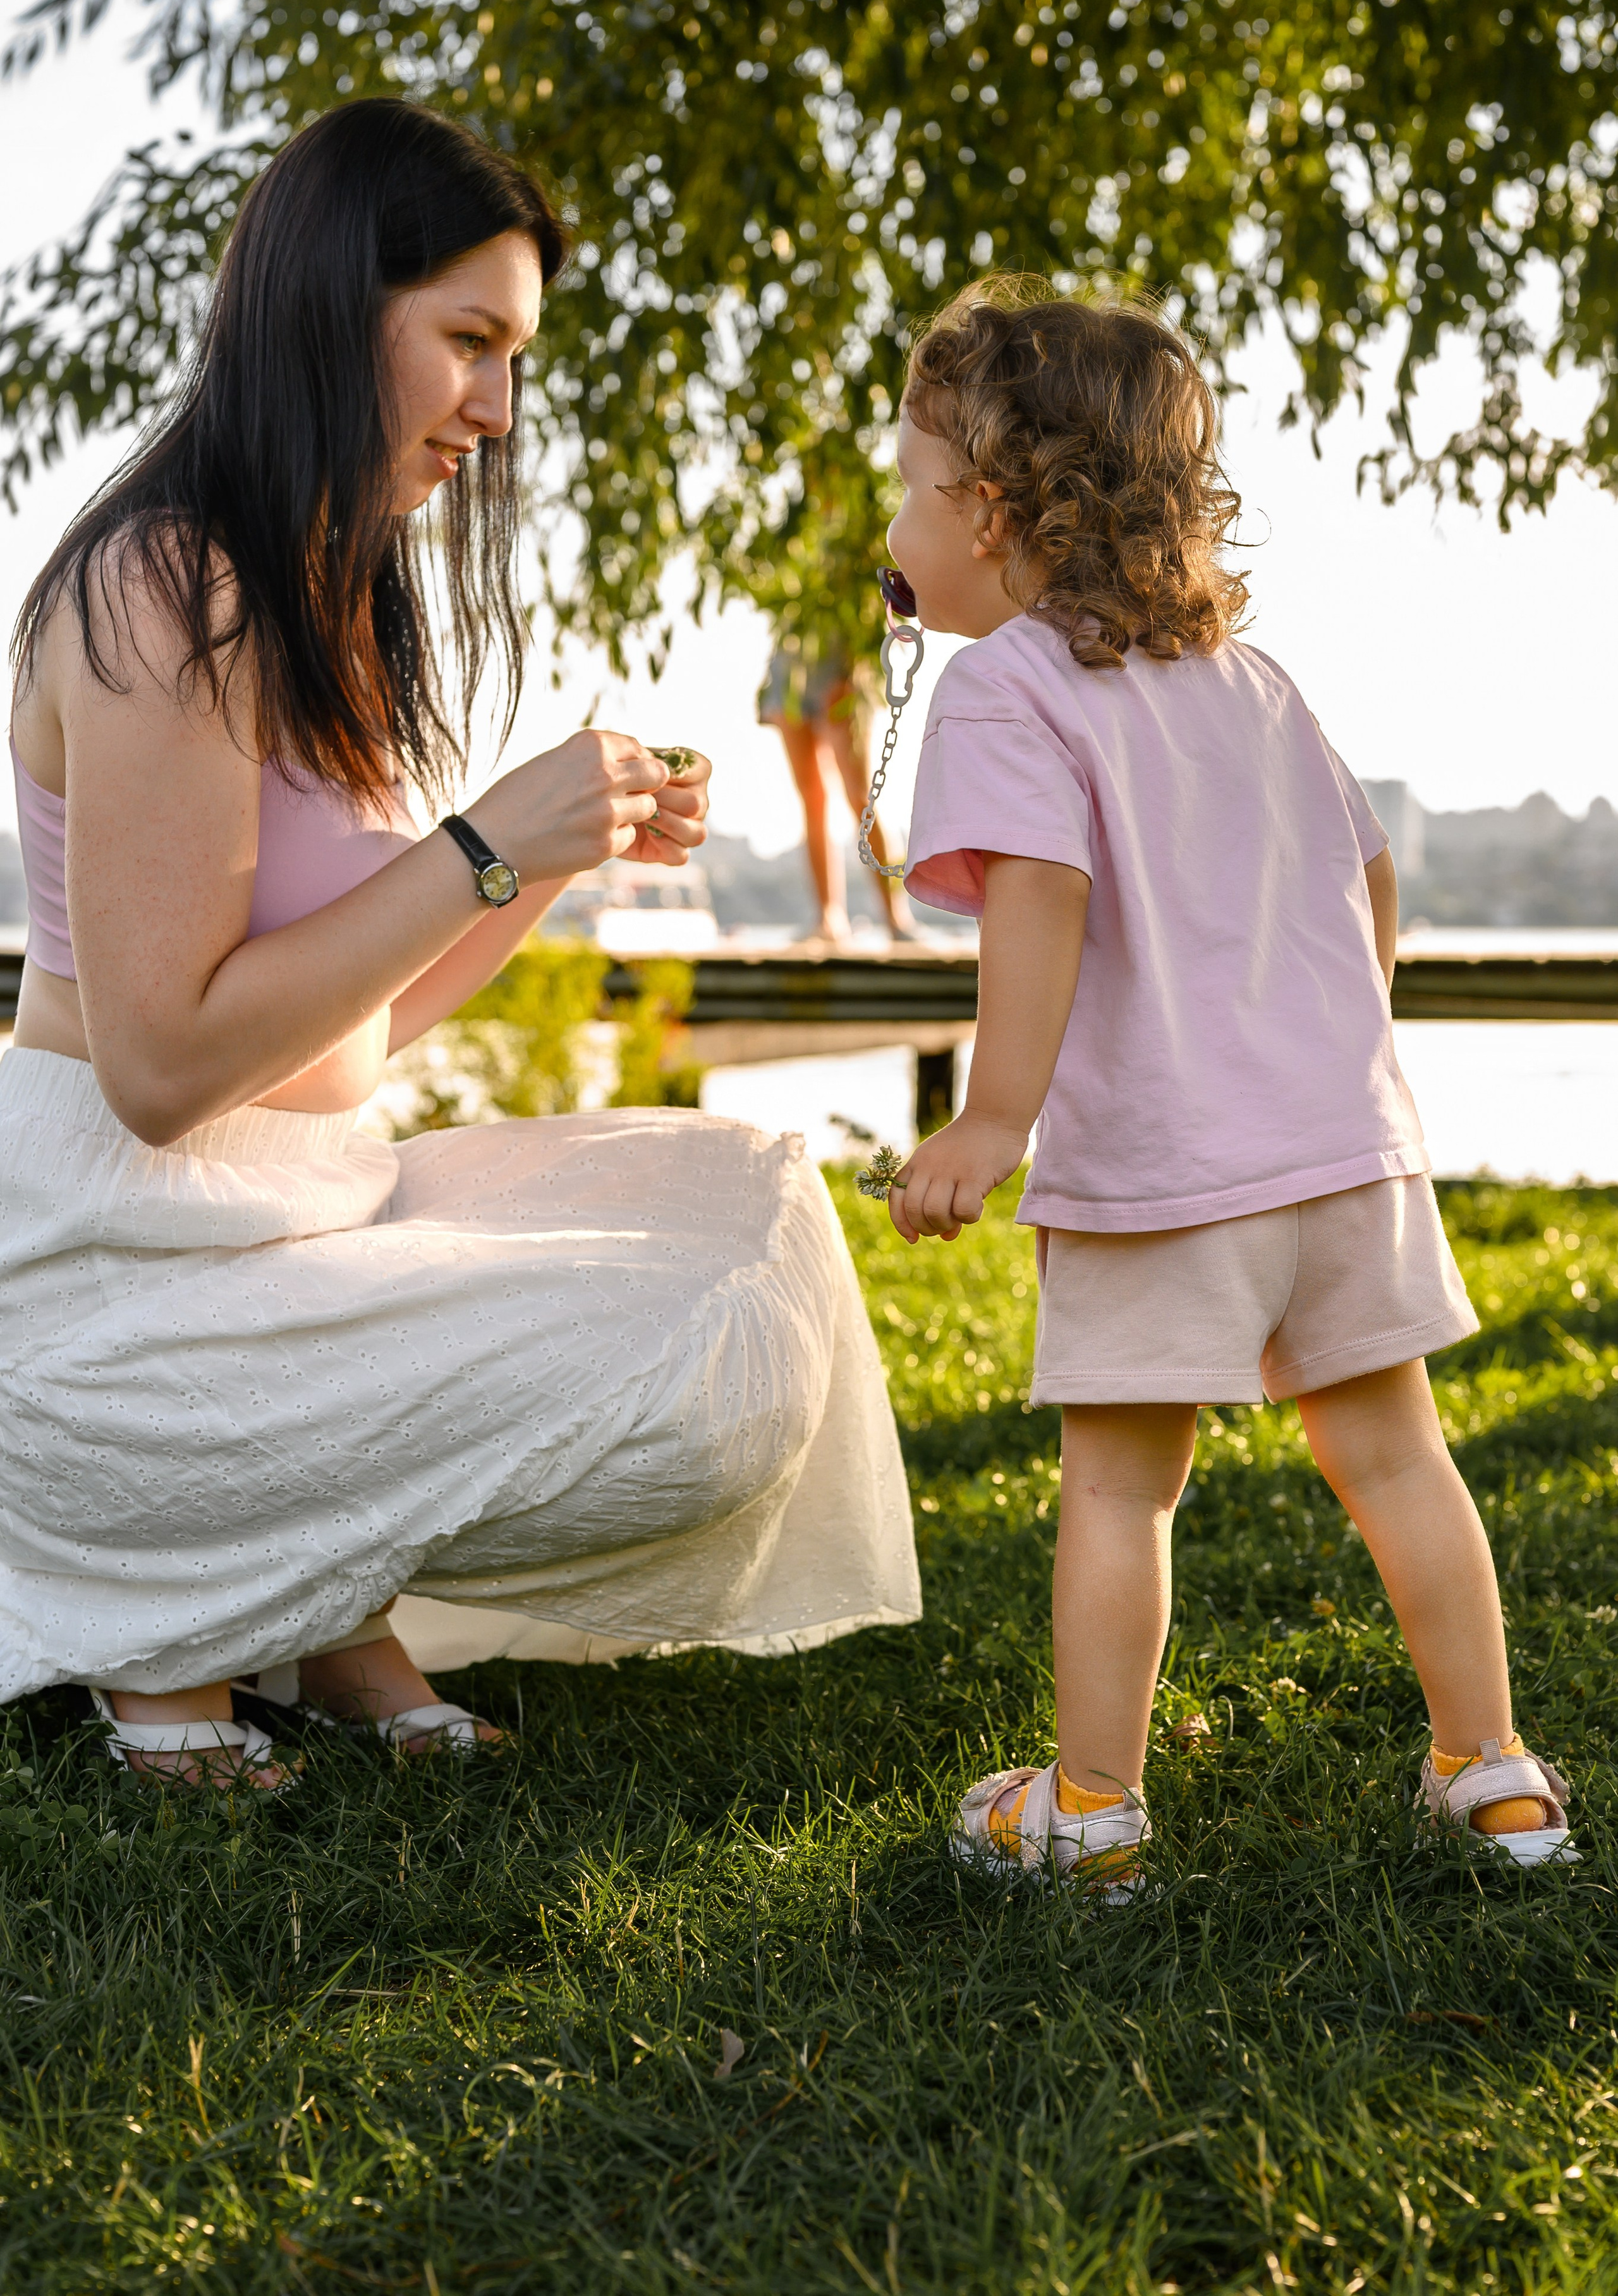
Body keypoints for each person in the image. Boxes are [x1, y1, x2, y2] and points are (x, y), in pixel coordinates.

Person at [0, 100, 919, 1788]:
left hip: (294, 1213)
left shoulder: (324, 583)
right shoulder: (163, 591)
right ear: (335, 308)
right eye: (470, 344)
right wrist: (481, 839)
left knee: (748, 1231)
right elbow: (162, 1071)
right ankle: (176, 1603)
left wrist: (545, 868)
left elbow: (349, 1027)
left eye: (515, 359)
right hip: (109, 1283)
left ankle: (293, 1585)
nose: (496, 412)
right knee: (695, 1362)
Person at [879, 278, 1574, 1892]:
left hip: (1163, 1162)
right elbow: (1370, 876)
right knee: (1395, 1452)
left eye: (907, 489)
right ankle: (1492, 1769)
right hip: (1339, 1153)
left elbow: (1039, 903)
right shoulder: (1252, 682)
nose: (897, 523)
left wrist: (993, 1120)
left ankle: (1095, 1808)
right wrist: (1325, 1054)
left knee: (1123, 1482)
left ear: (986, 513)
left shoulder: (1004, 687)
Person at [757, 625, 918, 944]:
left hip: (840, 661)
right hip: (790, 664)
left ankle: (896, 917)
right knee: (812, 800)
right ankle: (828, 917)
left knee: (860, 797)